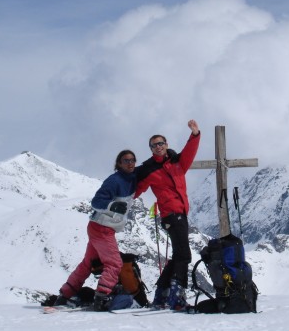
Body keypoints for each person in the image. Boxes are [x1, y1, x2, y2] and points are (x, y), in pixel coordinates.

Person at [51, 149, 138, 311]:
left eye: (133, 160)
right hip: (102, 227)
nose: (130, 163)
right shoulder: (114, 181)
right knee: (114, 263)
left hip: (99, 227)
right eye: (126, 160)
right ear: (119, 163)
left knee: (88, 264)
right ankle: (102, 297)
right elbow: (97, 201)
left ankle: (65, 295)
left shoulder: (132, 177)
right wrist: (112, 205)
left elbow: (150, 167)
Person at [135, 119, 201, 310]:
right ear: (151, 148)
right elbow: (137, 188)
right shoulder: (148, 169)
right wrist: (122, 199)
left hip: (181, 213)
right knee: (184, 255)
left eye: (160, 143)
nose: (158, 147)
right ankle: (176, 296)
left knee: (179, 254)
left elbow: (189, 152)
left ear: (166, 145)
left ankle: (161, 295)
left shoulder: (177, 163)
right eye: (154, 145)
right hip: (171, 215)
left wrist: (195, 134)